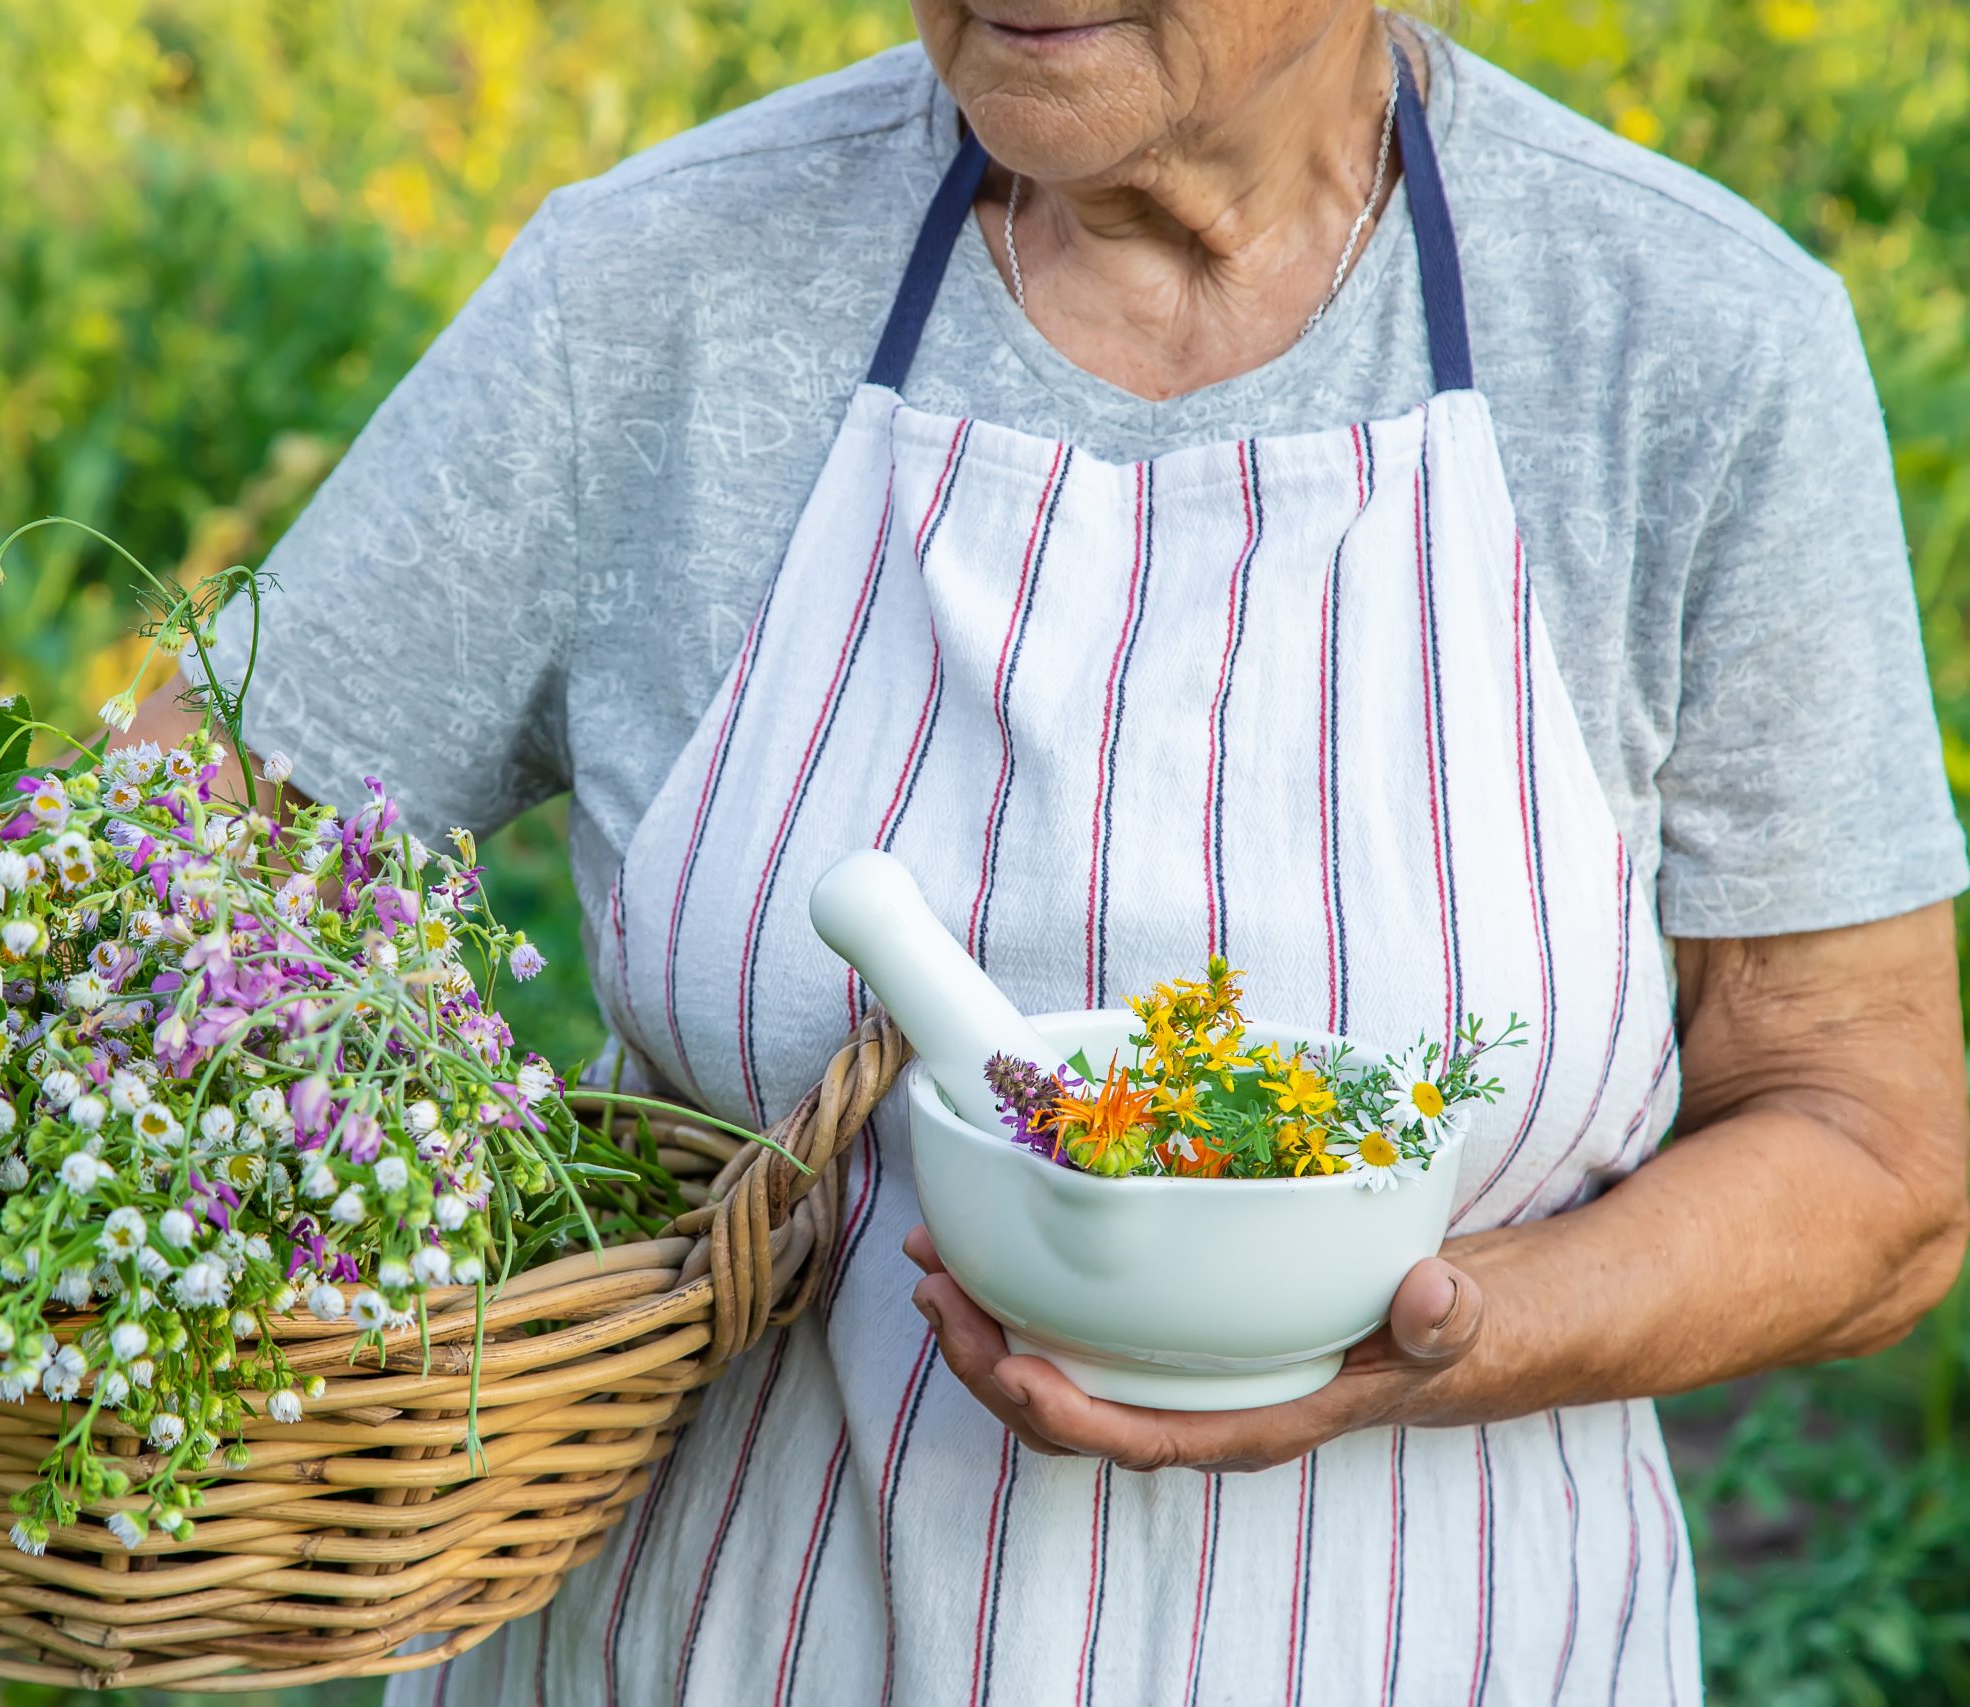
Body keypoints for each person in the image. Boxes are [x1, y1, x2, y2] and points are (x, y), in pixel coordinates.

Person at [187, 3, 1970, 1699]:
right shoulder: (660, 284)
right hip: (722, 1640)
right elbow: (170, 876)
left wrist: (1434, 1334)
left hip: (1437, 1644)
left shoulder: (1686, 338)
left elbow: (1871, 1151)